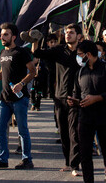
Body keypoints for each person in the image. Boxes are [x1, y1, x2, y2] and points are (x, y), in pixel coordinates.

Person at [0, 22, 36, 170]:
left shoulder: (21, 52)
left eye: (5, 34)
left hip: (20, 99)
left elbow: (33, 72)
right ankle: (3, 159)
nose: (2, 37)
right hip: (5, 99)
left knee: (22, 130)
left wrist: (21, 83)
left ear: (13, 36)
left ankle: (27, 160)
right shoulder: (2, 53)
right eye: (1, 35)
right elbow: (2, 73)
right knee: (0, 129)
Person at [32, 23, 82, 175]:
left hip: (76, 98)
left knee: (74, 133)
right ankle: (67, 161)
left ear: (79, 36)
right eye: (67, 32)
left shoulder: (83, 51)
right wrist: (35, 39)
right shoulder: (58, 50)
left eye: (71, 32)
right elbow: (37, 53)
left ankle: (75, 166)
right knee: (64, 132)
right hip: (60, 97)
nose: (68, 35)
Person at [68, 40, 106, 183]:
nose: (78, 57)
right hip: (85, 118)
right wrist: (73, 100)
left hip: (104, 117)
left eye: (80, 55)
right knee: (85, 152)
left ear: (88, 54)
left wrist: (97, 98)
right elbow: (76, 93)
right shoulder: (80, 72)